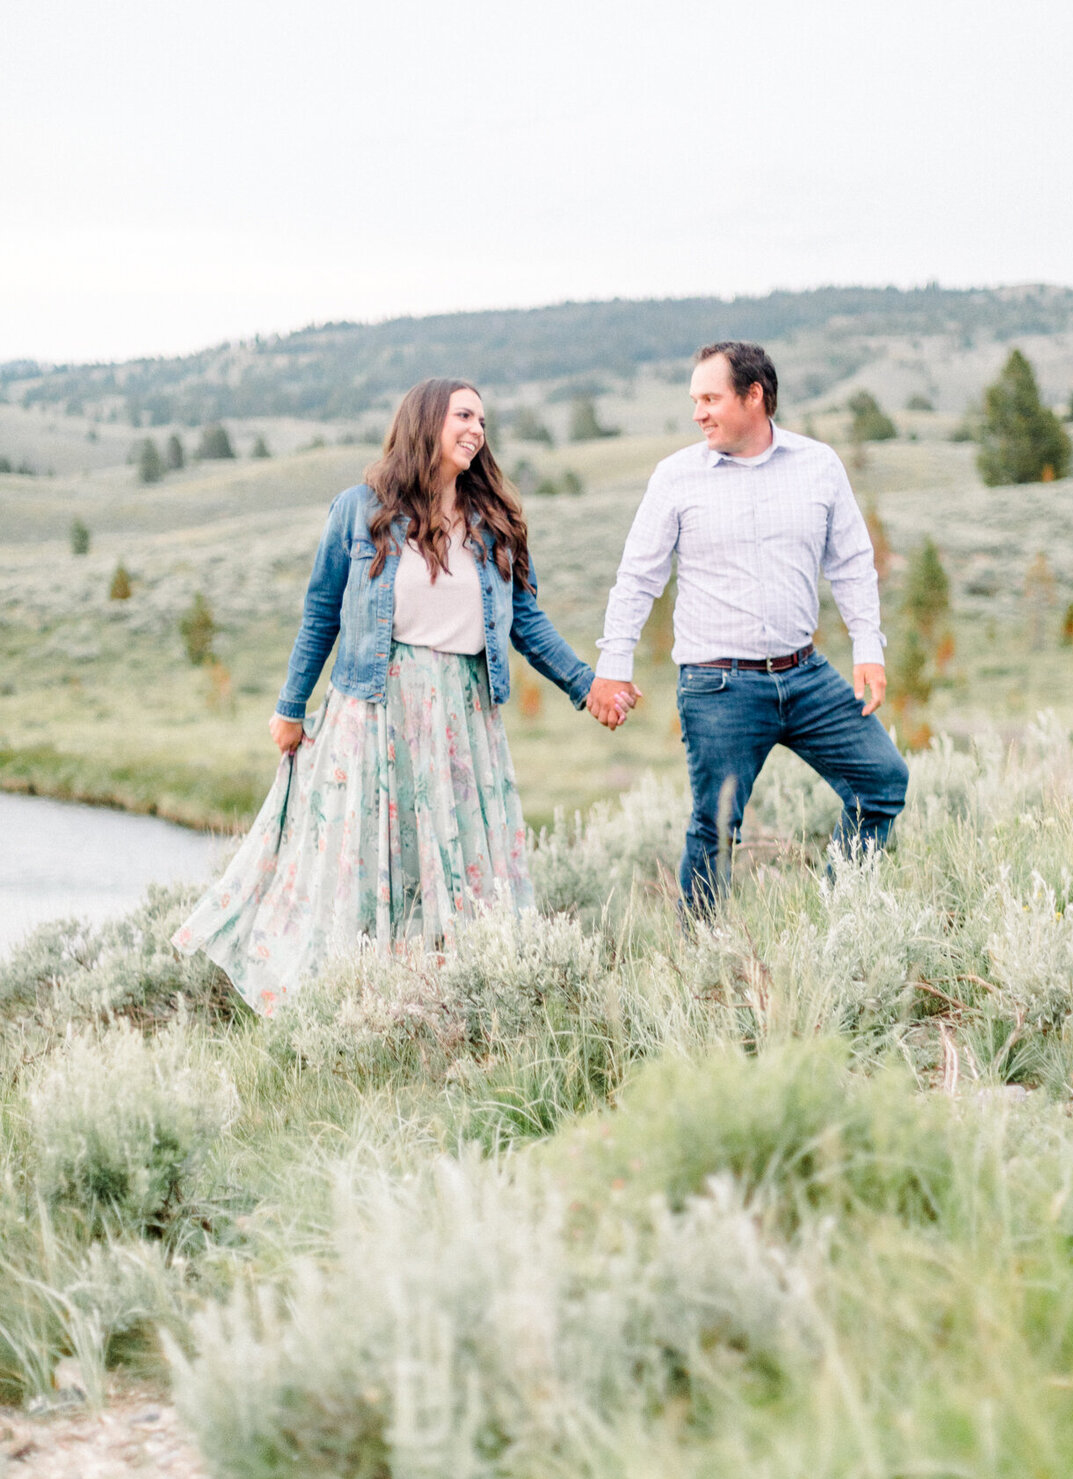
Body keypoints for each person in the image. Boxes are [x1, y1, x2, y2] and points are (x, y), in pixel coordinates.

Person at [174, 377, 631, 1014]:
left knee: (459, 860)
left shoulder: (491, 523)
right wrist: (288, 707)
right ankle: (350, 1002)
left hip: (464, 715)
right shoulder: (359, 511)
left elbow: (526, 621)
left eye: (481, 419)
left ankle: (456, 997)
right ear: (425, 423)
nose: (476, 428)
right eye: (463, 415)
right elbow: (319, 616)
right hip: (376, 709)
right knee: (366, 865)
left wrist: (589, 687)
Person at [587, 340, 908, 909]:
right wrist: (613, 669)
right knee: (715, 831)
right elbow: (637, 579)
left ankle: (840, 919)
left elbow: (854, 563)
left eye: (710, 398)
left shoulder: (819, 465)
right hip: (719, 687)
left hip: (806, 675)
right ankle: (701, 963)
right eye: (695, 399)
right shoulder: (676, 477)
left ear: (754, 396)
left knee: (881, 782)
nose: (697, 413)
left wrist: (868, 648)